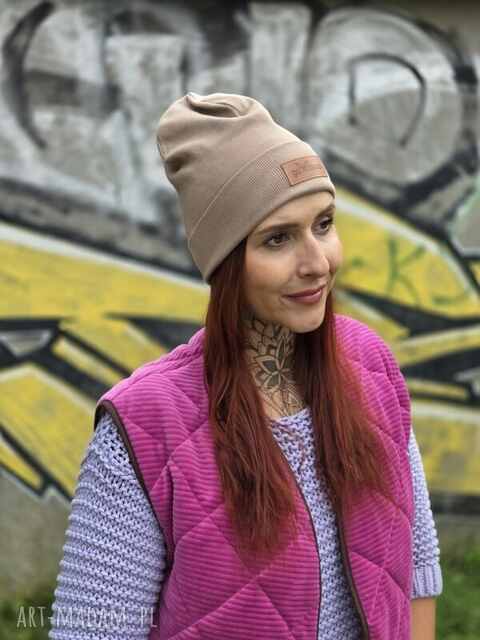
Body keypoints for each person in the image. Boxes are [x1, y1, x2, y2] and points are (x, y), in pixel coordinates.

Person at [48, 92, 442, 640]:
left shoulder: (369, 366)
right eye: (278, 239)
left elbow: (416, 570)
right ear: (225, 262)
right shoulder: (145, 425)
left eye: (323, 224)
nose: (317, 262)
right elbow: (93, 629)